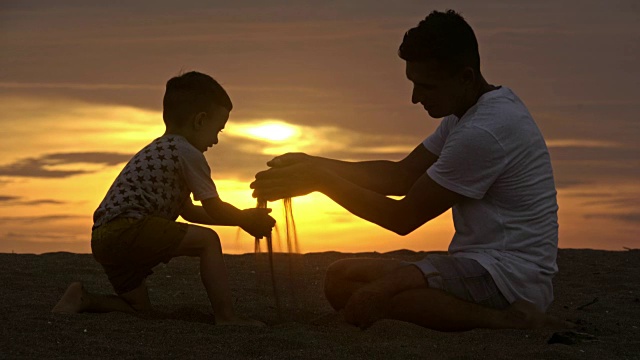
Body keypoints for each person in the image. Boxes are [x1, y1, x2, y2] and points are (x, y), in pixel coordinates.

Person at [250, 10, 571, 331]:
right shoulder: (466, 114)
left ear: (466, 77)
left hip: (508, 278)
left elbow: (402, 218)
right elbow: (400, 176)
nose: (416, 98)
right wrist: (313, 163)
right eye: (413, 83)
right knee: (341, 279)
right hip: (473, 266)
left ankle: (505, 320)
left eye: (426, 86)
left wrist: (320, 180)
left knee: (372, 297)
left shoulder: (484, 131)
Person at [53, 71, 274, 326]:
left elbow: (190, 212)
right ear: (200, 121)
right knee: (208, 241)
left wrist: (241, 218)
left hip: (104, 237)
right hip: (129, 227)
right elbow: (213, 206)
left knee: (139, 310)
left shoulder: (161, 150)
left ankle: (84, 299)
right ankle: (227, 317)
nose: (215, 140)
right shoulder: (187, 152)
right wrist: (245, 219)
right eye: (218, 130)